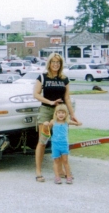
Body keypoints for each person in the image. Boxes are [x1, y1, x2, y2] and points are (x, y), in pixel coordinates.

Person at [33, 52, 80, 183]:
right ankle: (38, 171)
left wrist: (73, 115)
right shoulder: (42, 77)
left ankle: (60, 170)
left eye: (58, 63)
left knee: (59, 140)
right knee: (42, 142)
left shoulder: (64, 79)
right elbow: (36, 94)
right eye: (53, 62)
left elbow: (67, 98)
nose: (55, 64)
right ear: (49, 63)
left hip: (60, 113)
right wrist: (50, 102)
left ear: (61, 64)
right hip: (46, 111)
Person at [43, 104, 81, 184]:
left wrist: (77, 122)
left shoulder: (67, 122)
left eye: (63, 113)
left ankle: (68, 176)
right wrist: (46, 124)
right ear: (56, 114)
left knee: (65, 160)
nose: (61, 114)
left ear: (66, 114)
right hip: (55, 144)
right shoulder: (53, 122)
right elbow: (47, 129)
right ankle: (57, 177)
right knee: (56, 160)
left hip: (64, 144)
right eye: (59, 112)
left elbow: (77, 123)